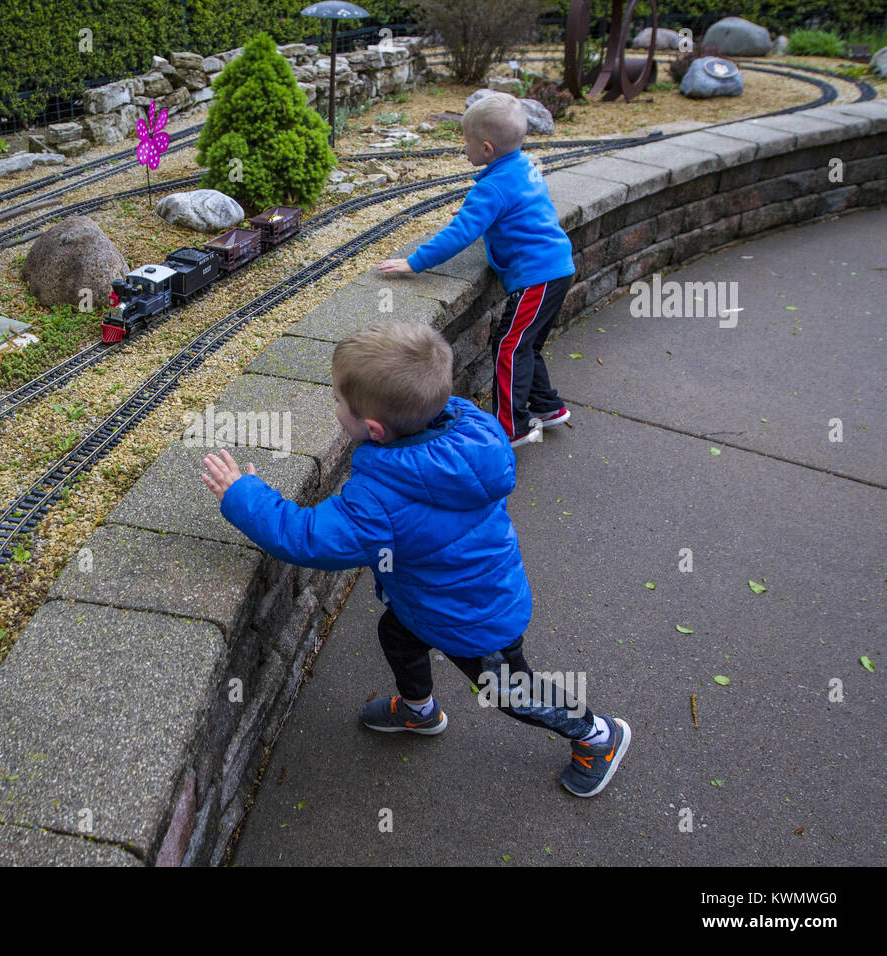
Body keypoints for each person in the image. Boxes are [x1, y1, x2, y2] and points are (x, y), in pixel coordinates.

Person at [200, 321, 630, 797]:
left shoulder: (379, 498)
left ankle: (598, 735)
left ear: (375, 430)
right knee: (396, 636)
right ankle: (419, 710)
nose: (335, 407)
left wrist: (244, 495)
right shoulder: (466, 426)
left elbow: (306, 538)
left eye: (340, 402)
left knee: (508, 691)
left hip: (473, 617)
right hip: (433, 600)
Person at [378, 92, 576, 448]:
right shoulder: (523, 166)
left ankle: (509, 427)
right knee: (526, 345)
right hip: (556, 268)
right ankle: (547, 406)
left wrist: (414, 261)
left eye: (465, 141)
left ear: (486, 148)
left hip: (537, 277)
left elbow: (460, 234)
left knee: (510, 347)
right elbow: (519, 212)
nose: (462, 147)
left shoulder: (492, 188)